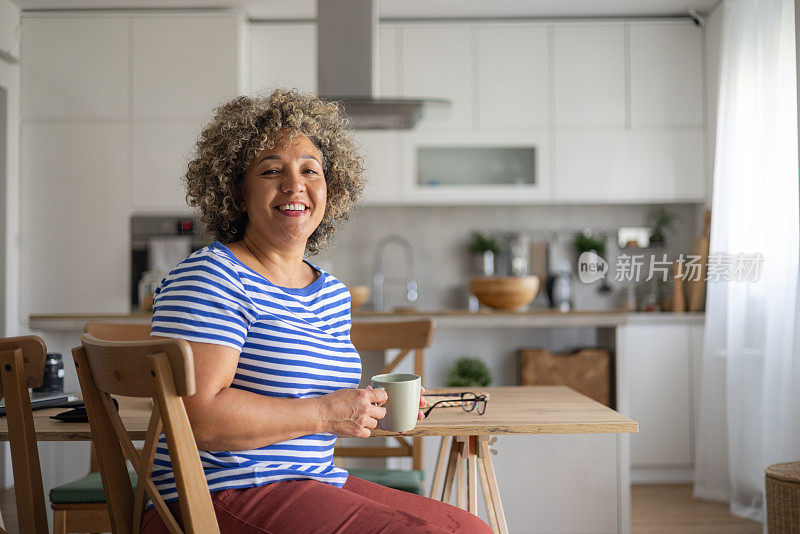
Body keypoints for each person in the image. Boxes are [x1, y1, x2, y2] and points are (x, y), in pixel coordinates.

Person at [144, 89, 491, 534]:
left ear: (332, 188)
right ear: (237, 190)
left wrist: (367, 408)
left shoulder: (330, 292)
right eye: (272, 171)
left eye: (311, 170)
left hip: (308, 482)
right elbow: (197, 418)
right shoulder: (212, 275)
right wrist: (329, 413)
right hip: (211, 497)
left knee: (469, 528)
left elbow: (308, 400)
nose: (295, 185)